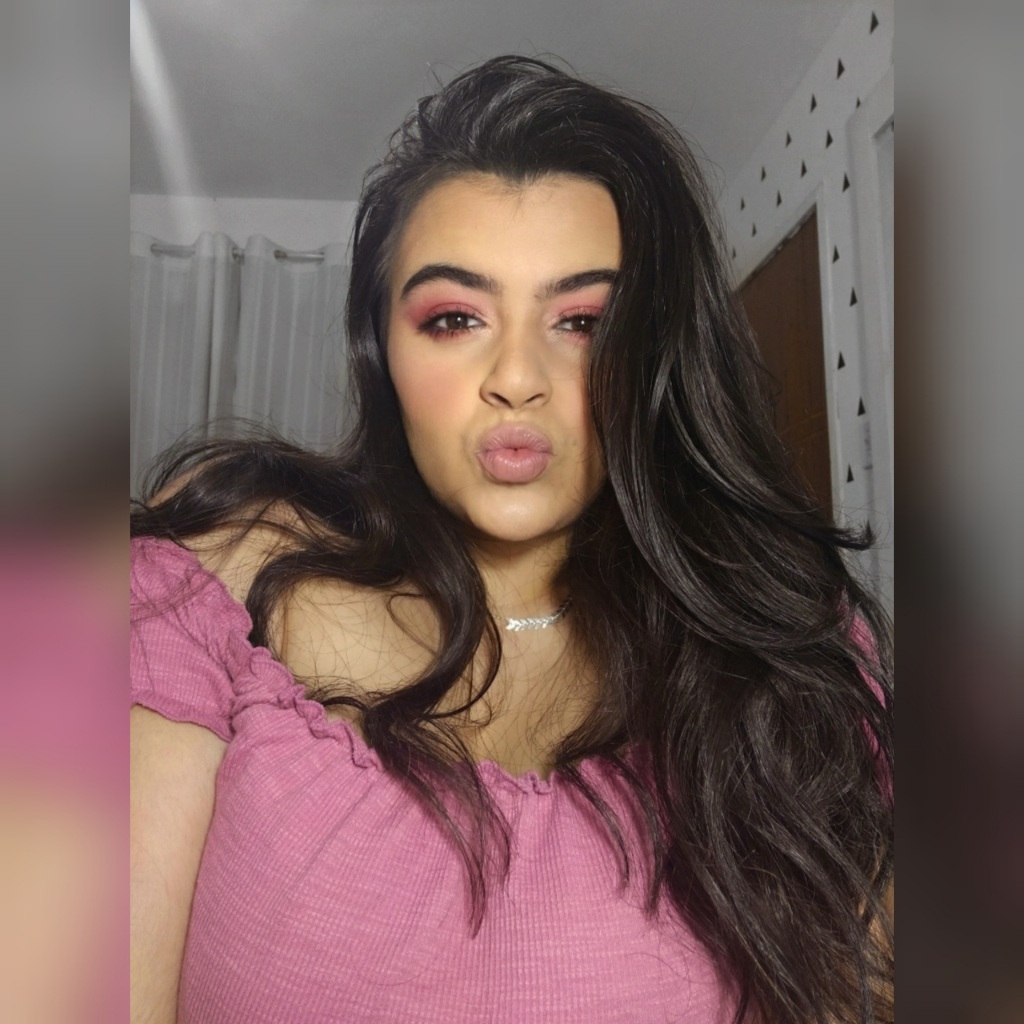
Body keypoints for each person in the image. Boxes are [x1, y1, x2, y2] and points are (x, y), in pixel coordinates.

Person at [130, 56, 894, 1024]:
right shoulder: (211, 584)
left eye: (582, 322)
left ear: (658, 356)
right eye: (454, 318)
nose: (518, 377)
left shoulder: (784, 651)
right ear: (381, 352)